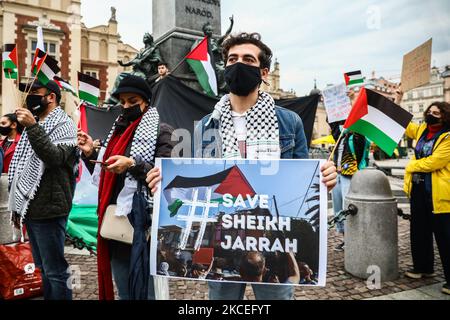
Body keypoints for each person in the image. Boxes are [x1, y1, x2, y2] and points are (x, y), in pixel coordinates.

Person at [147, 32, 337, 300]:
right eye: (232, 59)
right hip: (225, 233)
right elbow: (196, 178)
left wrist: (324, 178)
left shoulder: (289, 122)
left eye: (248, 59)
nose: (238, 64)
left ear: (264, 72)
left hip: (271, 234)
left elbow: (301, 177)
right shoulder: (205, 126)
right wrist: (164, 179)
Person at [77, 74, 176, 300]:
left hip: (145, 225)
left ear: (146, 103)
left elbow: (163, 175)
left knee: (147, 290)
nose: (126, 107)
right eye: (122, 102)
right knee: (124, 289)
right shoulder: (117, 133)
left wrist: (131, 164)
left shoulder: (163, 131)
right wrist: (91, 153)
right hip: (116, 222)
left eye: (132, 102)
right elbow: (105, 176)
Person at [9, 80, 78, 300]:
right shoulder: (40, 122)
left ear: (51, 97)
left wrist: (31, 127)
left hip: (50, 208)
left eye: (35, 93)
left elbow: (54, 158)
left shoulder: (63, 124)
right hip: (33, 208)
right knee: (43, 269)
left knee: (55, 271)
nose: (30, 98)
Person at [402, 101, 450, 296]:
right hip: (419, 189)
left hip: (439, 192)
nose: (431, 114)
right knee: (419, 230)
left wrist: (411, 165)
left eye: (436, 113)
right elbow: (405, 125)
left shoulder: (447, 136)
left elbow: (436, 161)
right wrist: (398, 99)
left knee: (445, 236)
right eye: (430, 111)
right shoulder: (422, 129)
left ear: (445, 116)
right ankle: (423, 267)